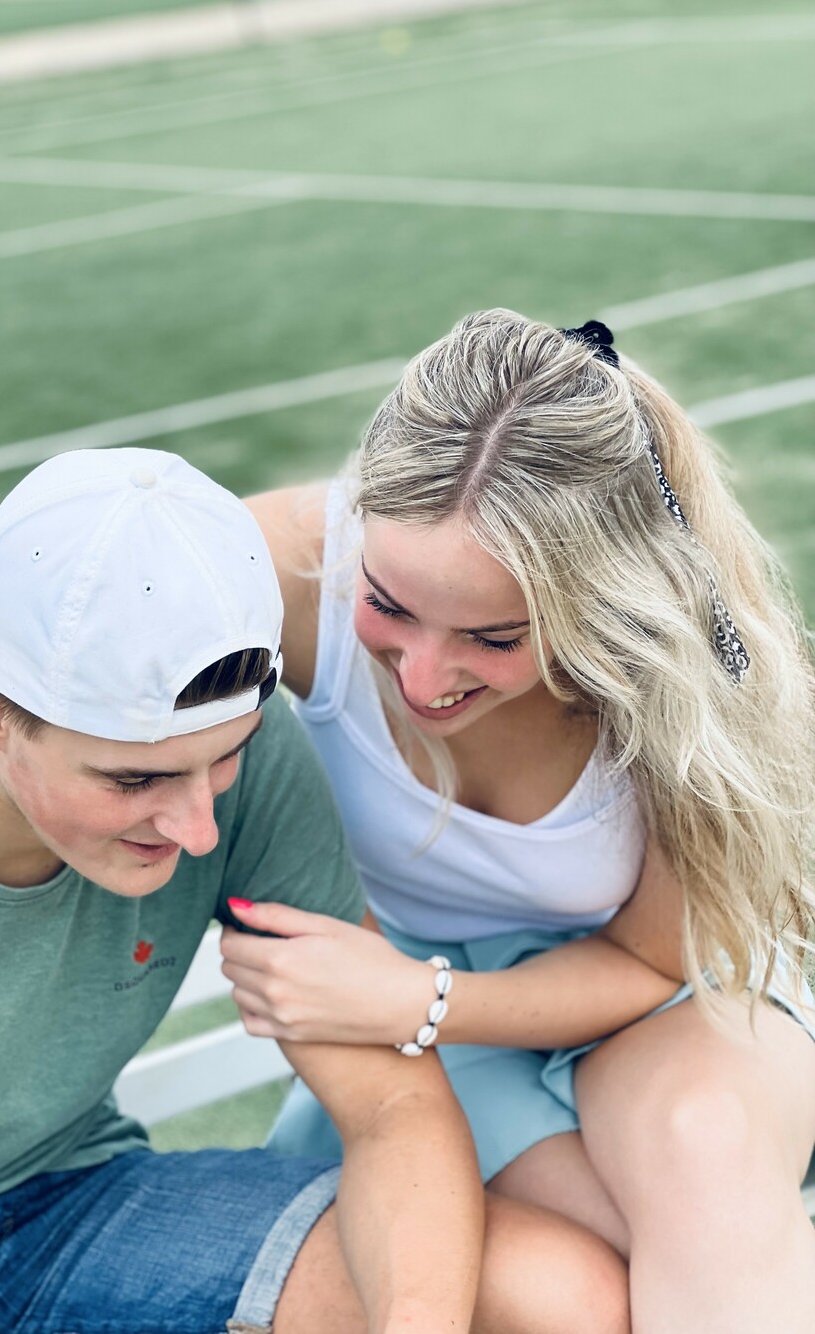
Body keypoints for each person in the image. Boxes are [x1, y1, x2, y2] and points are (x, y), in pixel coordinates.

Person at [0, 447, 487, 1334]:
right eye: (133, 780)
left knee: (545, 1291)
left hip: (76, 1196)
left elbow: (391, 1101)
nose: (199, 830)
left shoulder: (242, 746)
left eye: (225, 758)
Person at [221, 311, 815, 1334]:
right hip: (431, 1035)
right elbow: (19, 623)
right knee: (596, 1286)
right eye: (388, 605)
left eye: (493, 637)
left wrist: (416, 998)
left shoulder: (678, 661)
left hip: (654, 992)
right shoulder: (278, 563)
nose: (423, 678)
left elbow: (652, 962)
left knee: (705, 1141)